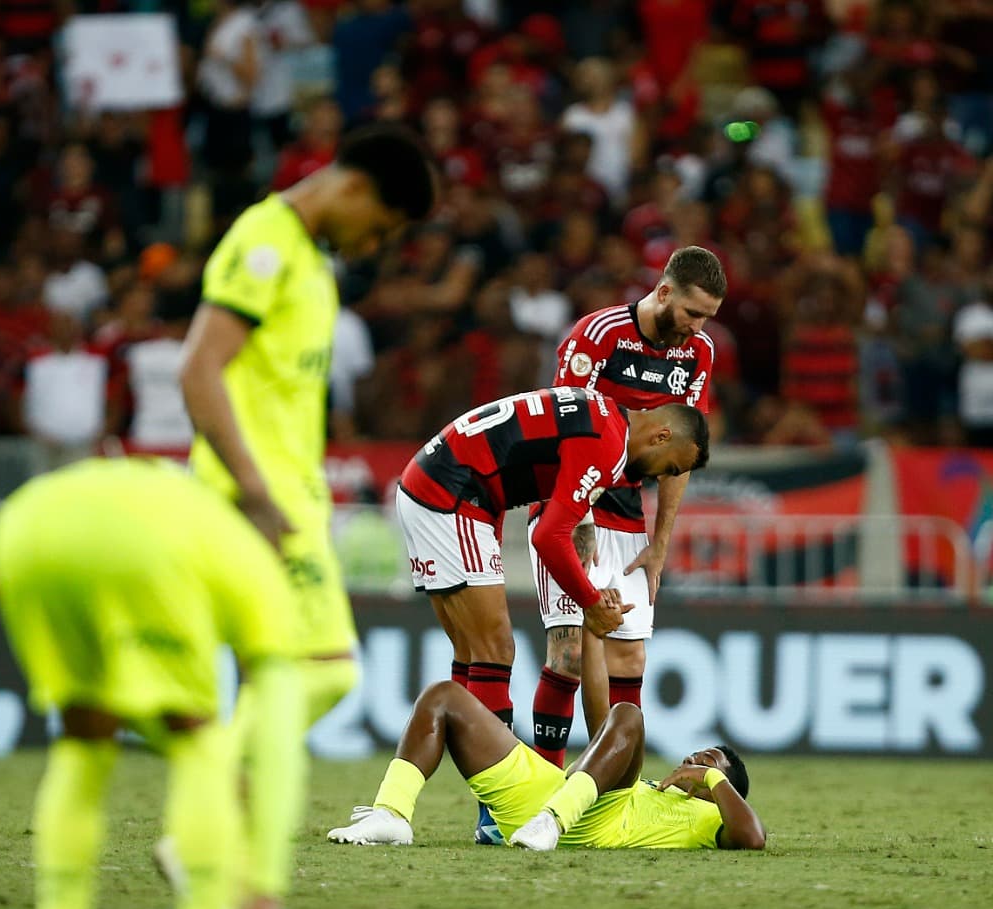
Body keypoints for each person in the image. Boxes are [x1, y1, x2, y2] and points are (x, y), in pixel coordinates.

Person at [176, 119, 436, 909]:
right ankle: (200, 833)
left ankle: (230, 885)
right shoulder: (265, 240)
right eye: (382, 228)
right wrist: (255, 490)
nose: (374, 244)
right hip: (258, 502)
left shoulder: (310, 261)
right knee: (324, 671)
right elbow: (197, 368)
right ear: (355, 189)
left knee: (278, 681)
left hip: (286, 499)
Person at [0, 458, 308, 909]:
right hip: (137, 549)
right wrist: (264, 889)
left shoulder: (191, 508)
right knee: (199, 745)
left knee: (83, 741)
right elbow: (281, 745)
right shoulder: (255, 572)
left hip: (24, 526)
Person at [327, 387, 711, 847]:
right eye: (669, 467)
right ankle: (494, 810)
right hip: (456, 492)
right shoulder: (610, 445)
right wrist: (590, 602)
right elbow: (551, 534)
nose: (657, 478)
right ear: (661, 435)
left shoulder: (603, 415)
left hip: (434, 483)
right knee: (495, 650)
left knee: (472, 655)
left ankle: (447, 801)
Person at [524, 247, 725, 795]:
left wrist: (660, 546)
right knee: (568, 653)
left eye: (707, 316)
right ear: (664, 292)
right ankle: (531, 794)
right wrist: (577, 523)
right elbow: (565, 427)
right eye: (692, 313)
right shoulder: (599, 335)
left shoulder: (697, 354)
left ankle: (615, 794)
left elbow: (680, 454)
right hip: (568, 506)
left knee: (631, 651)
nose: (698, 328)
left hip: (629, 518)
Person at [342, 681, 765, 852]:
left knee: (630, 715)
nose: (693, 762)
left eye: (708, 762)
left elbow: (753, 839)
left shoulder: (709, 817)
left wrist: (710, 779)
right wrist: (593, 630)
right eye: (697, 757)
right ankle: (390, 814)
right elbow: (606, 725)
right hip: (543, 790)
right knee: (442, 697)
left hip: (591, 818)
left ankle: (552, 822)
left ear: (723, 788)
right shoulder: (655, 785)